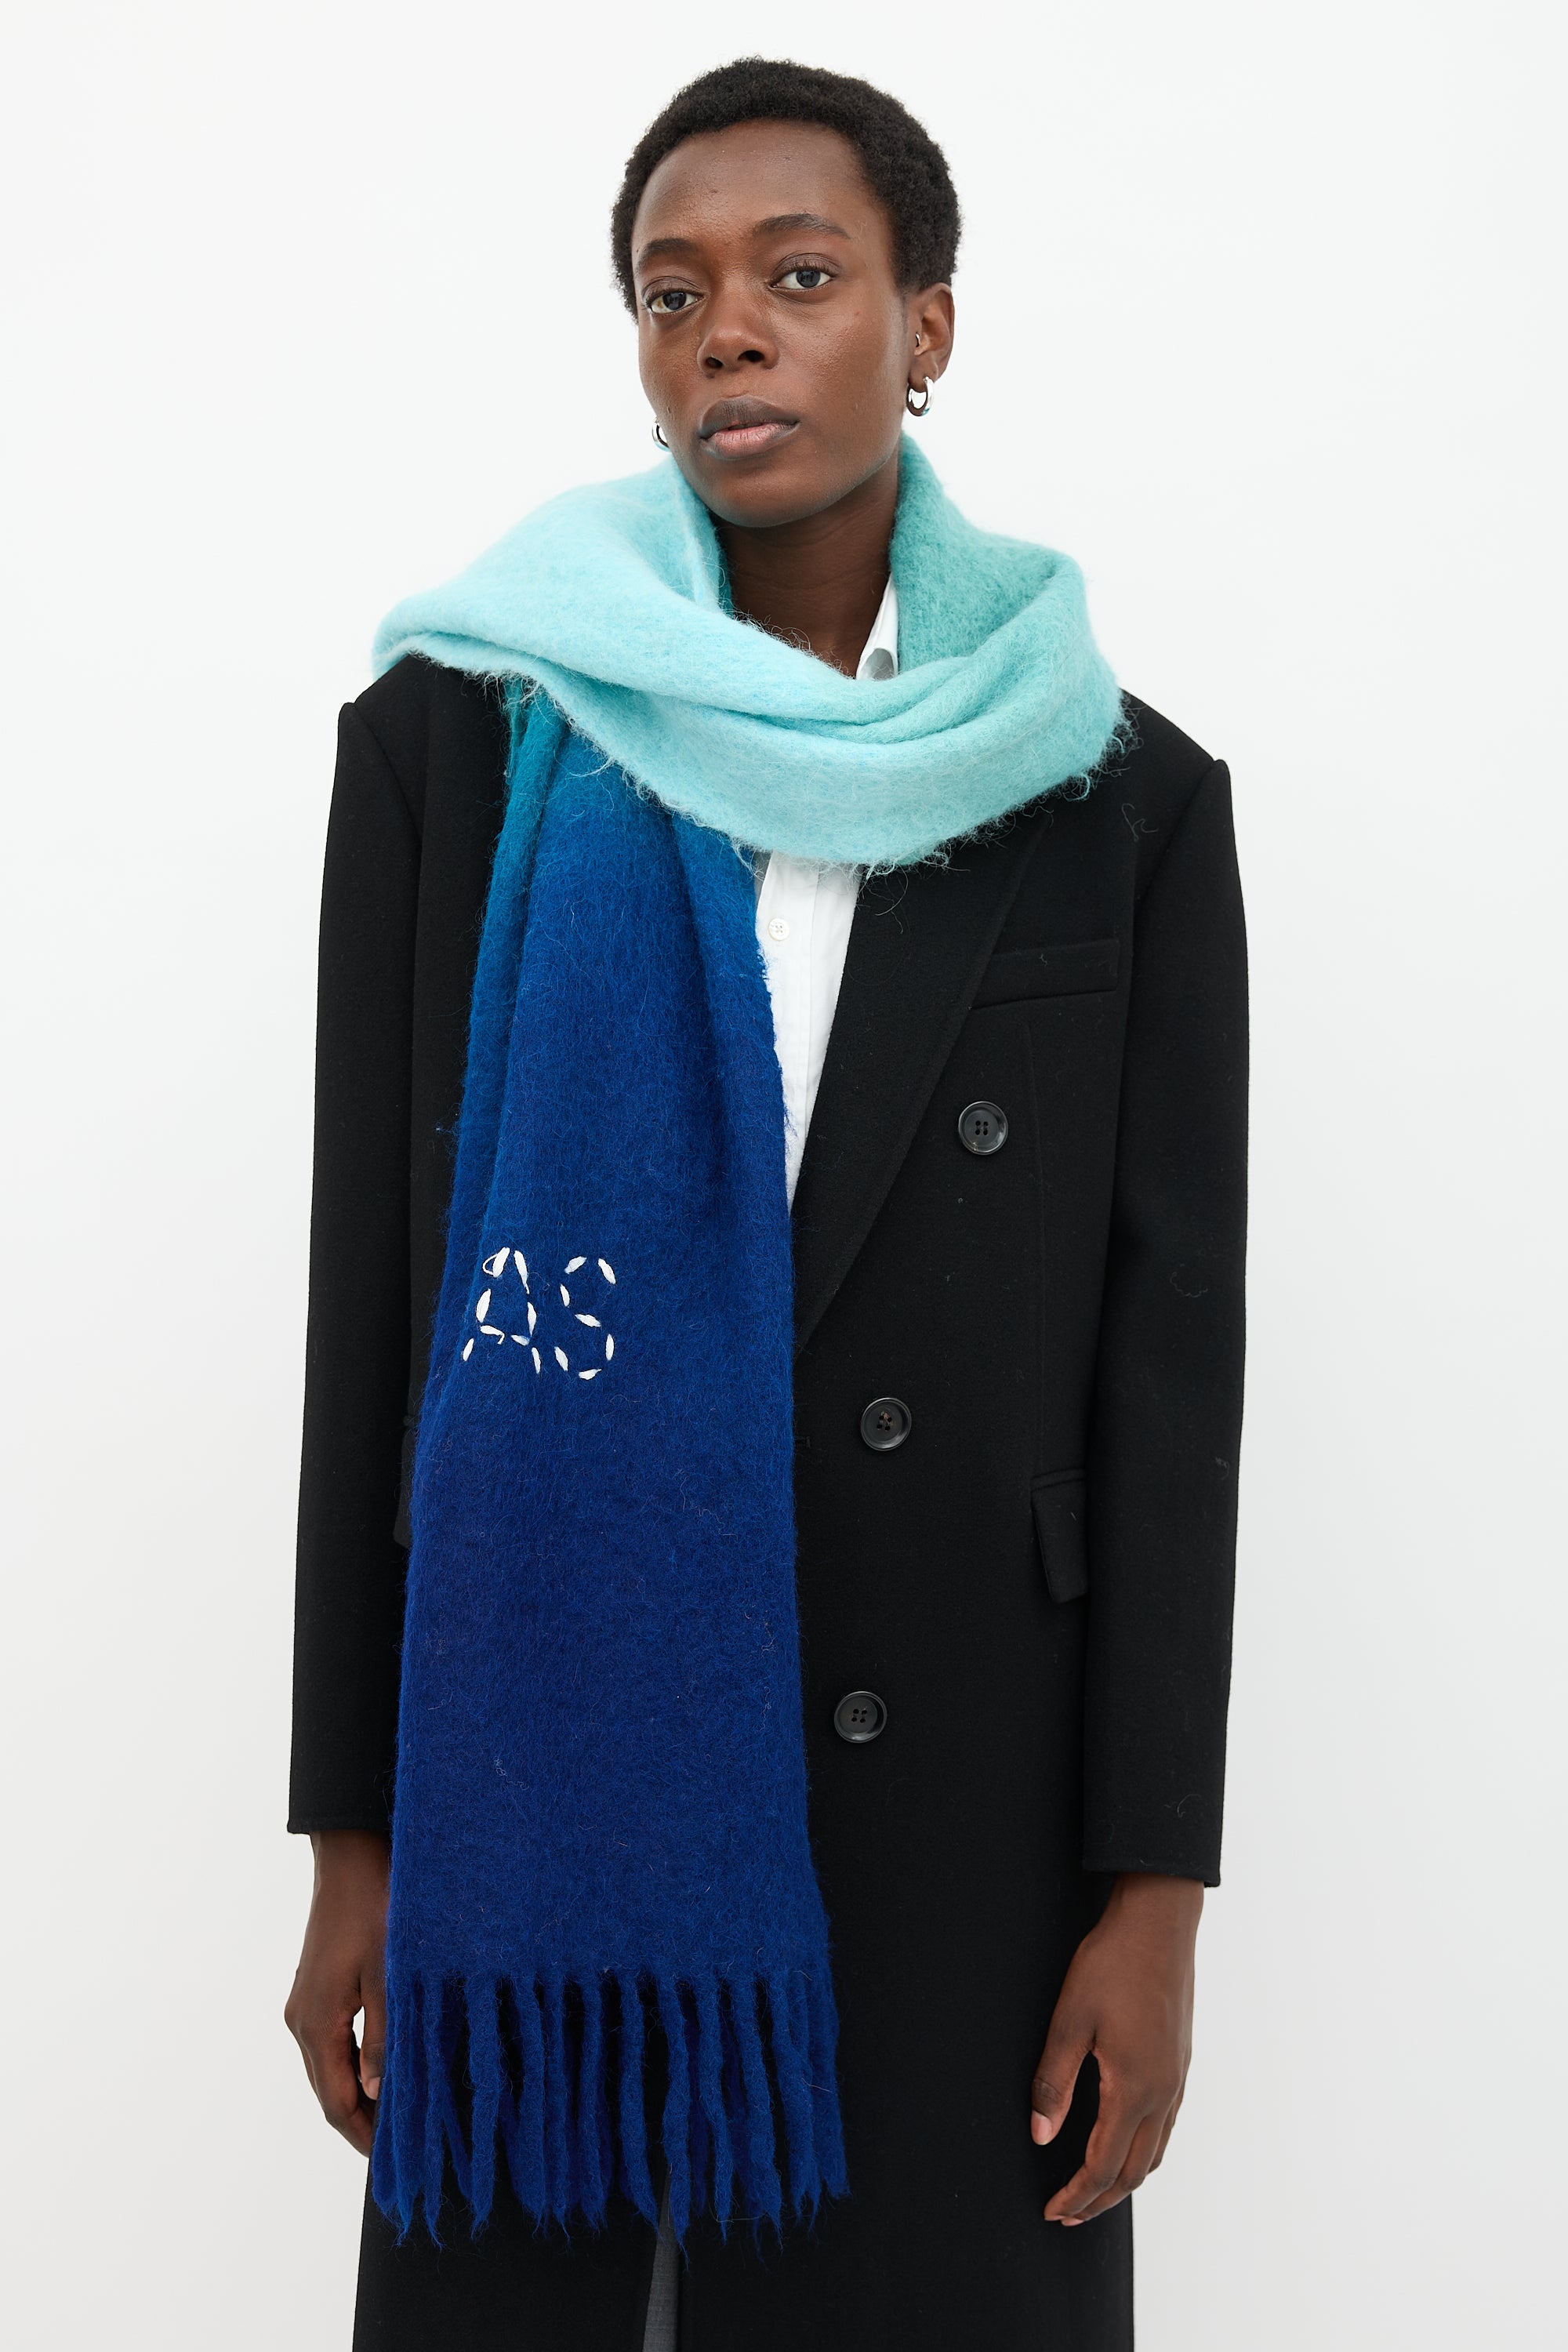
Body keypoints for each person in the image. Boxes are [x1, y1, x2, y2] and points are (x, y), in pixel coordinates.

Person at [285, 56, 1247, 2352]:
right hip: (535, 1777)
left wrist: (1156, 1894)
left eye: (801, 277)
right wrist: (354, 1839)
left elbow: (1168, 1377)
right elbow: (374, 1315)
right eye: (673, 290)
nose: (727, 328)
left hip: (973, 1787)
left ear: (927, 327)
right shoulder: (456, 751)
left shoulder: (1115, 801)